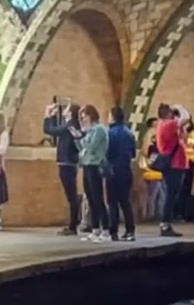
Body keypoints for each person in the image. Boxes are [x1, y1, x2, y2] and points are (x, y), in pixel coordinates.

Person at [43, 101, 82, 235]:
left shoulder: (69, 126)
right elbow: (56, 131)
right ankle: (74, 223)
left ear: (70, 113)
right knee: (72, 195)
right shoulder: (71, 126)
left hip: (67, 163)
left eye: (66, 109)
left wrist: (47, 115)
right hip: (70, 163)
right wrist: (53, 117)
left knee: (71, 196)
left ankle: (73, 226)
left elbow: (50, 130)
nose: (64, 110)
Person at [155, 103, 187, 238]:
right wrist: (179, 107)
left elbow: (182, 137)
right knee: (170, 195)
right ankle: (165, 224)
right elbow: (186, 117)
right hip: (174, 165)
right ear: (168, 114)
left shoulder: (163, 125)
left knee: (171, 194)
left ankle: (166, 223)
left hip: (173, 165)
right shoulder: (169, 124)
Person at [78, 104, 109, 242]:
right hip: (86, 164)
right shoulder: (89, 131)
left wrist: (81, 137)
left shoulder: (99, 129)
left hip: (95, 165)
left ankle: (106, 229)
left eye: (84, 115)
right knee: (90, 198)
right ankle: (95, 229)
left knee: (98, 198)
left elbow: (91, 146)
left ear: (91, 115)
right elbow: (81, 146)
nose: (83, 118)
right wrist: (79, 137)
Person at [106, 106, 136, 241]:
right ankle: (130, 231)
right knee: (125, 202)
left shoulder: (110, 133)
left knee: (113, 203)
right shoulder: (130, 133)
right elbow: (133, 153)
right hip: (126, 169)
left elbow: (107, 152)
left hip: (113, 170)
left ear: (112, 117)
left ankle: (113, 232)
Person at [138, 117, 165, 223]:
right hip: (152, 169)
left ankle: (154, 214)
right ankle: (152, 215)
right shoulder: (151, 135)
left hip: (156, 168)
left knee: (157, 193)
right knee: (155, 193)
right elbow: (147, 151)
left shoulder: (153, 135)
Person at [176, 117, 194, 221]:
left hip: (187, 162)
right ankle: (180, 212)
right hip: (185, 162)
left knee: (184, 188)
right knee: (182, 189)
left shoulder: (186, 133)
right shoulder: (183, 133)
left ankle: (183, 213)